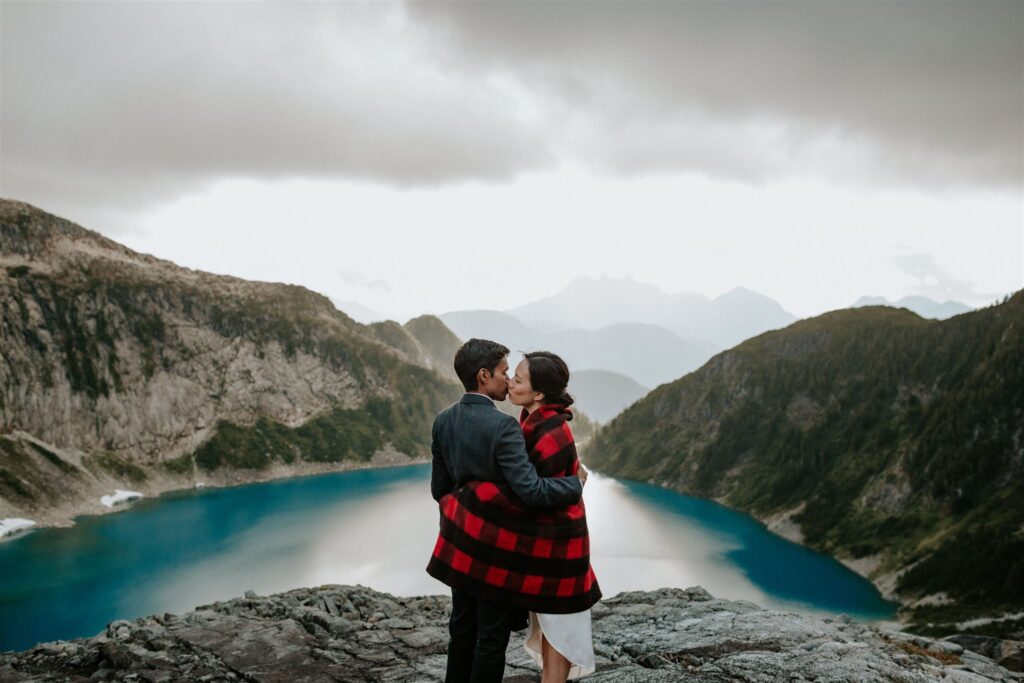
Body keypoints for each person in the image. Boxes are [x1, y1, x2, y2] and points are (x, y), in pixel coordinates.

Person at [427, 338, 587, 683]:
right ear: (484, 376)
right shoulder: (504, 427)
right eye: (503, 372)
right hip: (494, 551)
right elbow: (529, 490)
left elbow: (439, 489)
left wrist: (463, 511)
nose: (507, 380)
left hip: (460, 543)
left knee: (462, 627)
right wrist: (575, 484)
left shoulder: (443, 420)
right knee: (491, 635)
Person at [506, 351, 598, 682]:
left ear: (540, 393)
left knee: (558, 633)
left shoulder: (551, 431)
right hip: (550, 551)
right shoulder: (533, 422)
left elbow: (538, 496)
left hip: (559, 553)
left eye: (518, 379)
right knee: (550, 629)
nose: (509, 382)